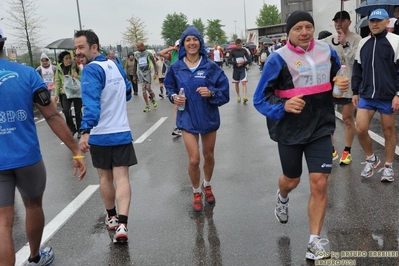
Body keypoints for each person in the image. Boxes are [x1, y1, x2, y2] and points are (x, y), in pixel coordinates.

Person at [253, 11, 349, 260]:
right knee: (292, 180)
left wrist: (340, 87)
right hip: (290, 130)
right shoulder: (277, 58)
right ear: (289, 33)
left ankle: (314, 242)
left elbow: (336, 88)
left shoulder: (328, 53)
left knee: (319, 183)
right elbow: (260, 98)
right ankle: (282, 196)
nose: (304, 32)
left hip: (321, 127)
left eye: (308, 26)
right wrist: (283, 106)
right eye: (298, 28)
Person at [0, 27, 86, 266]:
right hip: (28, 157)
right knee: (33, 205)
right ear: (3, 44)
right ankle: (35, 258)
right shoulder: (27, 74)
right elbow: (53, 116)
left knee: (3, 223)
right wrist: (76, 152)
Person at [74, 29, 137, 243]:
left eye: (81, 47)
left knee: (105, 178)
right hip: (121, 132)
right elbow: (128, 92)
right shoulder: (114, 65)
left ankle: (111, 218)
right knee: (122, 179)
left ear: (94, 47)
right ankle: (123, 225)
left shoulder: (91, 70)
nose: (77, 52)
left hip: (101, 135)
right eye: (76, 48)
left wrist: (85, 131)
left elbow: (90, 104)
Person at [164, 25, 229, 212]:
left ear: (200, 42)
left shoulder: (210, 66)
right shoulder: (176, 68)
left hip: (208, 116)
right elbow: (169, 88)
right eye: (188, 40)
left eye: (195, 39)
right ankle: (195, 191)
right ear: (183, 44)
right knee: (194, 159)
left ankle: (207, 185)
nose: (192, 43)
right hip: (187, 118)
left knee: (208, 155)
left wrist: (211, 92)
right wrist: (173, 97)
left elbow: (224, 92)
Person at [352, 8, 399, 182]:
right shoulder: (363, 43)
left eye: (378, 21)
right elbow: (357, 68)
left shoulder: (396, 41)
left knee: (388, 131)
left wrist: (398, 94)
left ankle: (388, 166)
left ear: (387, 22)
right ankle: (372, 159)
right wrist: (355, 91)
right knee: (361, 129)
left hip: (388, 95)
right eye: (372, 21)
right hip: (366, 94)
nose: (374, 24)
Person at [323, 11, 362, 165]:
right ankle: (331, 149)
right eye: (336, 21)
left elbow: (356, 62)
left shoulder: (357, 39)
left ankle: (347, 150)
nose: (338, 23)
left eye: (342, 20)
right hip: (331, 85)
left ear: (349, 22)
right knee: (328, 118)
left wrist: (345, 43)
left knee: (347, 119)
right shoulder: (328, 40)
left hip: (348, 86)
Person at [54, 50, 83, 138]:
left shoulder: (76, 67)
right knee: (66, 111)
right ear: (62, 60)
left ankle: (80, 130)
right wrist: (56, 95)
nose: (69, 60)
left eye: (69, 58)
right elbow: (58, 81)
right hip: (65, 93)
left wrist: (77, 76)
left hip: (76, 92)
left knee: (78, 112)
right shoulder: (59, 69)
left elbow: (83, 78)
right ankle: (72, 128)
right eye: (66, 58)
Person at [160, 41, 181, 135]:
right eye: (178, 46)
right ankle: (178, 127)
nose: (179, 47)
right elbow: (161, 53)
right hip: (174, 82)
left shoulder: (188, 55)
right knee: (177, 105)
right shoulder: (173, 55)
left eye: (181, 46)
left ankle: (183, 126)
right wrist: (172, 48)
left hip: (184, 81)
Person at [133, 41, 158, 112]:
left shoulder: (148, 54)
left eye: (138, 47)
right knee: (143, 89)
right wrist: (134, 75)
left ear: (142, 46)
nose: (137, 48)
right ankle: (147, 105)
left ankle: (153, 99)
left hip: (147, 72)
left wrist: (155, 72)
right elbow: (135, 65)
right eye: (136, 47)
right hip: (140, 73)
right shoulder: (136, 55)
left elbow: (154, 63)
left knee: (148, 88)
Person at [228, 38, 251, 103]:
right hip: (236, 69)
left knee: (244, 82)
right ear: (235, 45)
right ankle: (238, 95)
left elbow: (249, 60)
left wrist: (243, 62)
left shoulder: (244, 50)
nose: (239, 46)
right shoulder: (233, 51)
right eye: (238, 45)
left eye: (240, 45)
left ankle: (245, 96)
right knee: (236, 83)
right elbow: (229, 60)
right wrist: (236, 63)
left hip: (242, 68)